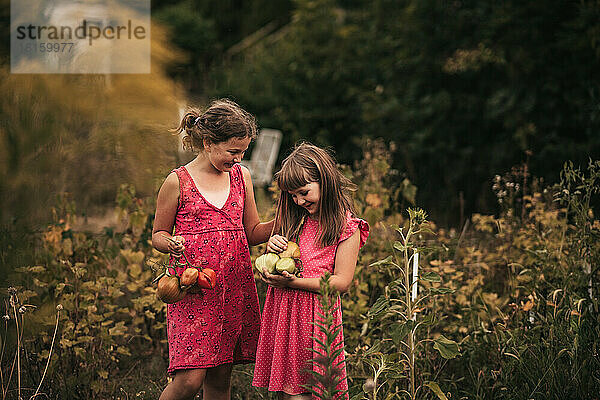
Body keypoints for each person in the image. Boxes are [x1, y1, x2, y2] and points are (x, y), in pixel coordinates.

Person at [152, 99, 274, 400]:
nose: (239, 158)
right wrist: (171, 243)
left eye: (243, 151)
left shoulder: (241, 177)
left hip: (233, 288)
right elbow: (158, 234)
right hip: (193, 290)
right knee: (189, 380)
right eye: (233, 151)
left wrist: (285, 217)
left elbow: (253, 232)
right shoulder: (177, 181)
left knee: (220, 380)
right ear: (208, 142)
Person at [252, 143, 370, 399]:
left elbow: (341, 282)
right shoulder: (295, 218)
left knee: (308, 391)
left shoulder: (347, 227)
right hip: (285, 313)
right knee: (290, 390)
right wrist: (271, 249)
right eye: (293, 195)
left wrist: (293, 283)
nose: (299, 200)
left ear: (325, 181)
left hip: (316, 318)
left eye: (304, 192)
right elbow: (280, 261)